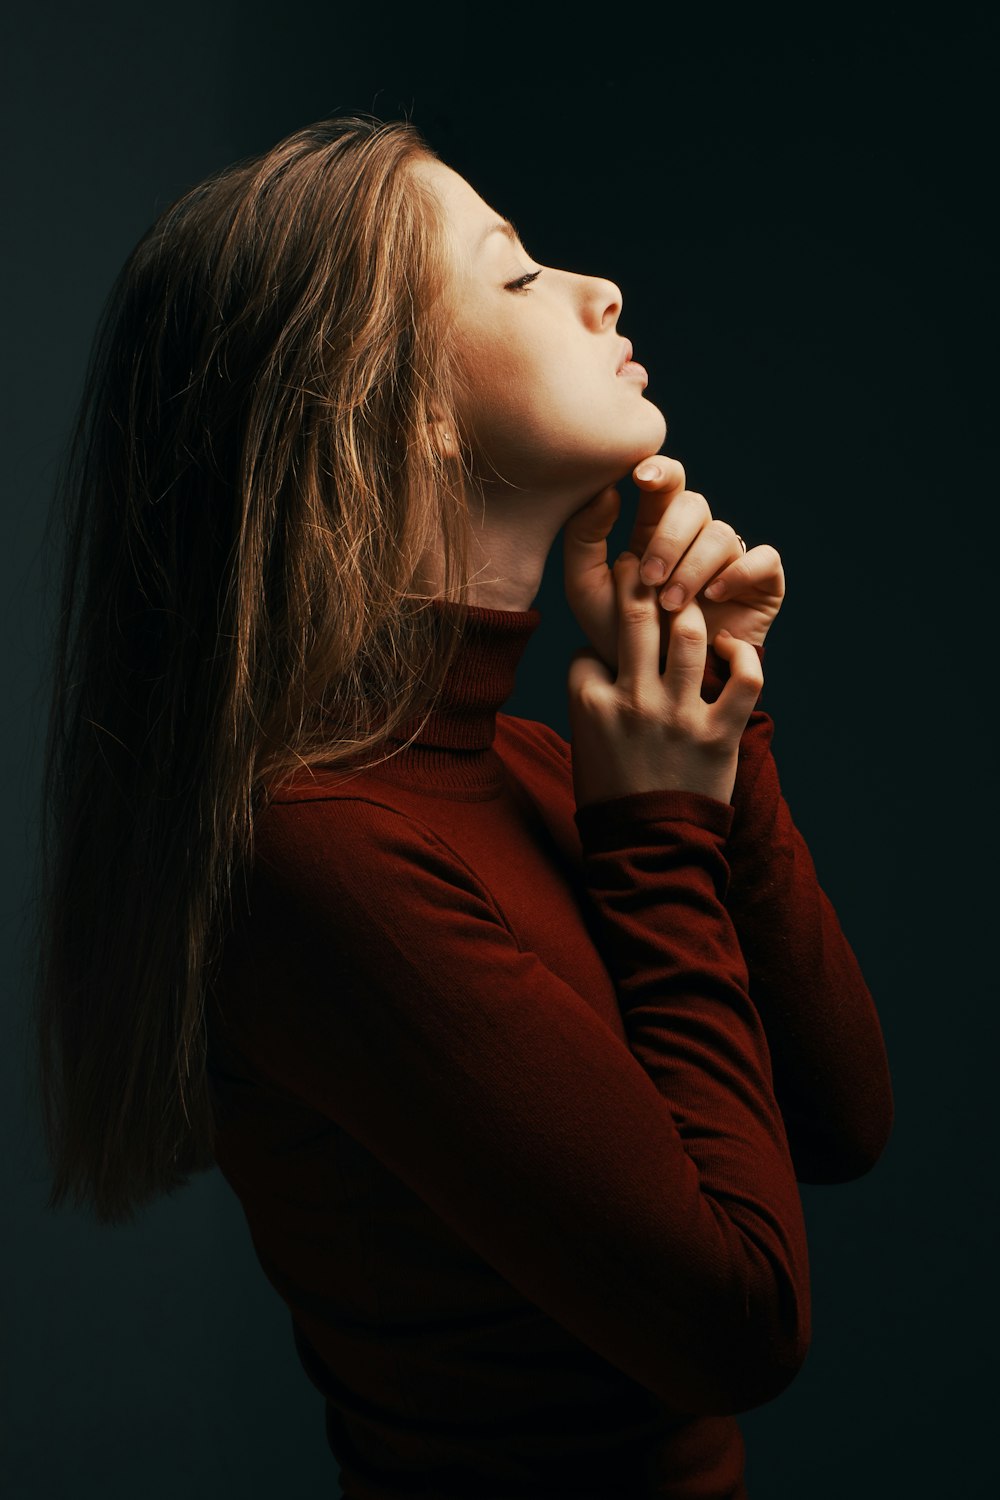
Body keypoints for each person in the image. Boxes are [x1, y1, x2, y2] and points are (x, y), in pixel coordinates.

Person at [31, 114, 894, 1498]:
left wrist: (716, 725)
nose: (597, 287)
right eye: (512, 274)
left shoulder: (557, 771)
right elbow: (742, 1324)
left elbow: (843, 1119)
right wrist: (666, 820)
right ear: (402, 398)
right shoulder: (318, 860)